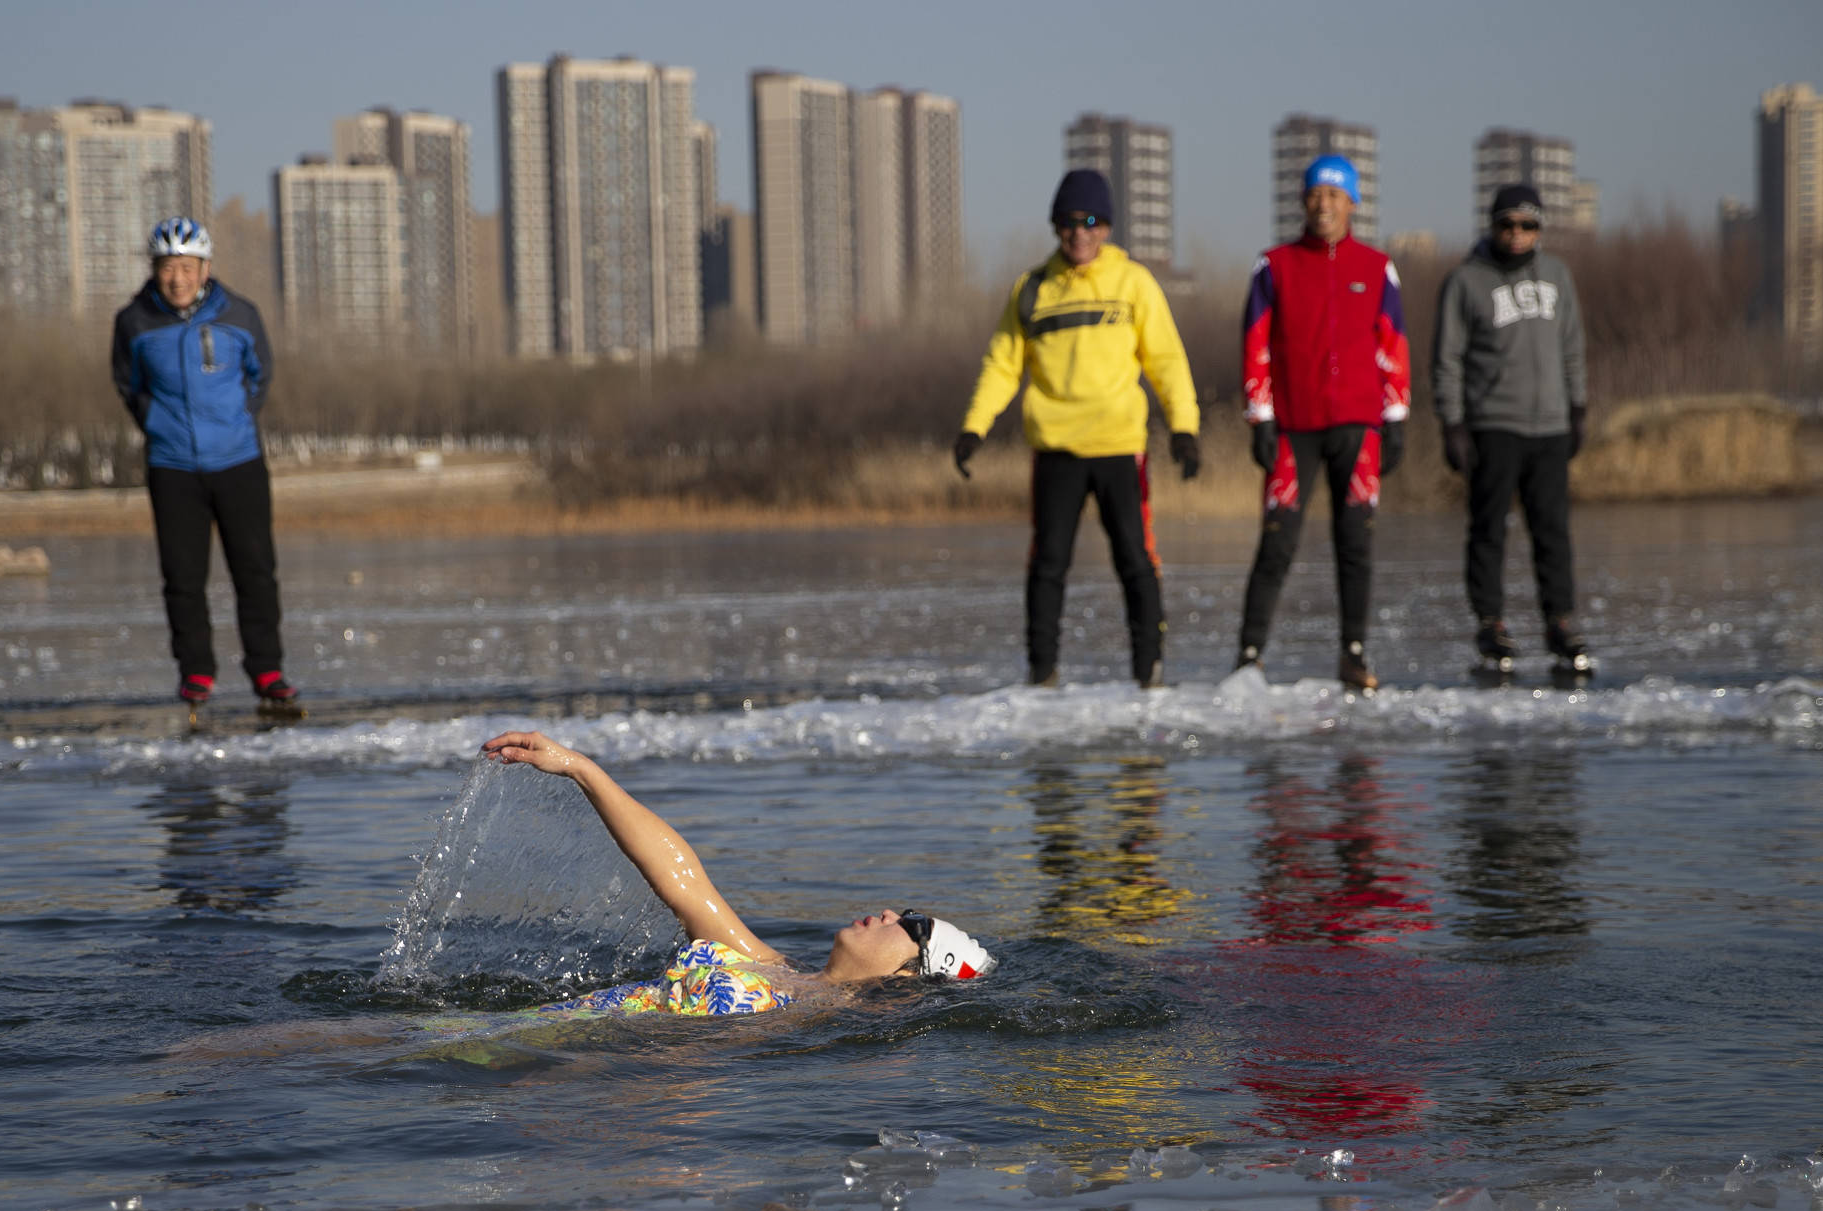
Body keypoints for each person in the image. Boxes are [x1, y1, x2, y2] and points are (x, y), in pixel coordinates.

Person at [478, 730, 996, 1014]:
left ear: (909, 980)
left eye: (913, 926)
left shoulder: (797, 1022)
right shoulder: (776, 970)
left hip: (533, 1058)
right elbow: (683, 881)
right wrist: (580, 768)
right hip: (513, 1034)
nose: (892, 913)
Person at [955, 168, 1201, 690]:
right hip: (1056, 450)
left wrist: (1184, 427)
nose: (1079, 234)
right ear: (1055, 228)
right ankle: (1042, 674)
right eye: (1068, 223)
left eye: (1090, 221)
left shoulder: (1133, 283)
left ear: (1106, 227)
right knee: (1047, 565)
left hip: (1119, 447)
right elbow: (1002, 365)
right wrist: (975, 427)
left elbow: (1167, 360)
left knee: (1136, 559)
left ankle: (1149, 674)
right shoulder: (1032, 289)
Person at [1235, 156, 1411, 691]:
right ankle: (1249, 656)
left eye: (1335, 195)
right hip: (1293, 427)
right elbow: (1255, 342)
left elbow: (1393, 343)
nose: (1324, 204)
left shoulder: (1377, 268)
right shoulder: (1275, 266)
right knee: (1277, 541)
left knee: (1355, 542)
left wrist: (1396, 415)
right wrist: (1260, 416)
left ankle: (1353, 654)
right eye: (1315, 194)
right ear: (1303, 201)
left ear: (1353, 203)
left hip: (1358, 426)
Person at [112, 216, 298, 712]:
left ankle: (268, 669)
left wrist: (237, 419)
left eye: (186, 266)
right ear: (155, 270)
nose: (177, 277)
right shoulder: (133, 322)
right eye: (167, 266)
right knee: (182, 577)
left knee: (255, 572)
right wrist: (156, 423)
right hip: (172, 467)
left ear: (206, 268)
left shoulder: (240, 314)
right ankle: (195, 671)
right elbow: (129, 385)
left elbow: (261, 375)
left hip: (239, 462)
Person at [1430, 183, 1592, 674]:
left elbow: (1572, 347)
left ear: (1540, 229)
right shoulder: (1465, 281)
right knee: (1488, 528)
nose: (1517, 234)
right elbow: (1447, 359)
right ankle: (1490, 623)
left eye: (1528, 225)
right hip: (1492, 424)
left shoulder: (1558, 276)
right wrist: (1453, 423)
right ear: (1493, 225)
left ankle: (1559, 621)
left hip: (1549, 424)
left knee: (1552, 530)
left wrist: (1578, 406)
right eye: (1508, 224)